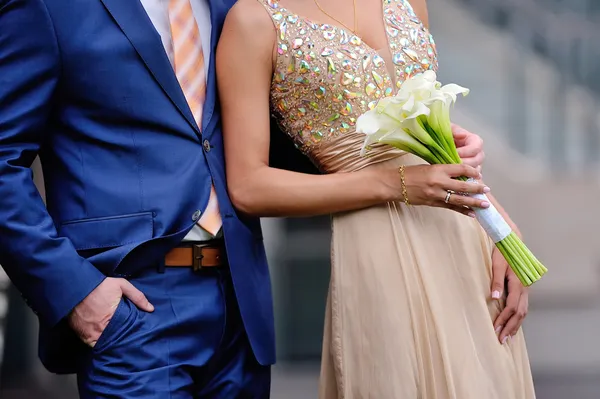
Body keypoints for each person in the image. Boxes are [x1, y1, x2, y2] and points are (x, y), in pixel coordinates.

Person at [216, 0, 535, 397]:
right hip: (375, 242)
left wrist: (502, 228)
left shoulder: (408, 2)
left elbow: (432, 145)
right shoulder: (253, 19)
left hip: (461, 230)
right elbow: (248, 187)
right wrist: (395, 183)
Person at [0, 0, 274, 397]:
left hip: (240, 305)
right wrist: (75, 291)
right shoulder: (49, 6)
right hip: (134, 306)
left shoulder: (235, 6)